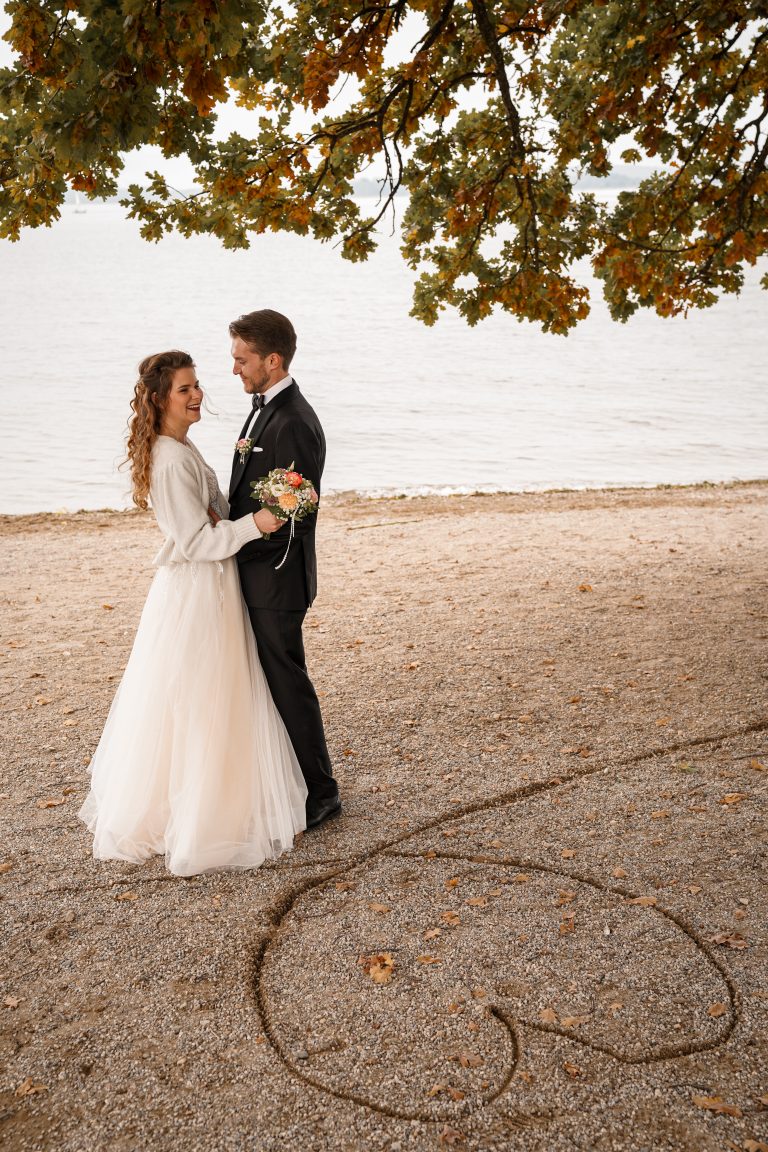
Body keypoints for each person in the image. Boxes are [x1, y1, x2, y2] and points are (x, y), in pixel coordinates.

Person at [79, 350, 308, 877]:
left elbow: (211, 518)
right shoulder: (169, 457)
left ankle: (216, 796)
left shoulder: (182, 446)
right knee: (198, 695)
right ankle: (199, 813)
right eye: (186, 389)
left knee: (212, 692)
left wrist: (239, 513)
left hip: (212, 586)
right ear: (161, 399)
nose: (198, 393)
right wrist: (261, 524)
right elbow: (194, 540)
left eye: (198, 385)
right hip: (197, 591)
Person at [227, 310, 341, 828]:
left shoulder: (292, 420)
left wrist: (230, 542)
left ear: (272, 361)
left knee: (287, 682)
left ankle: (321, 791)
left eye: (242, 359)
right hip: (258, 573)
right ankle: (291, 780)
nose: (235, 369)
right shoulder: (263, 410)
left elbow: (296, 511)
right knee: (272, 680)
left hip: (276, 576)